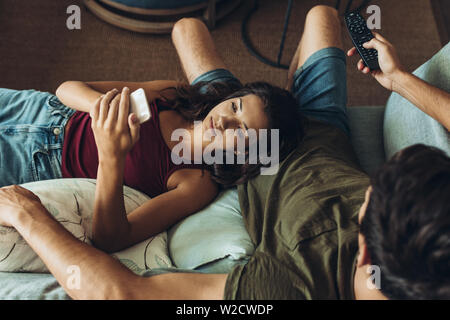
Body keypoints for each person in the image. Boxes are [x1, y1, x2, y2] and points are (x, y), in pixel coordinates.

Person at [0, 5, 449, 300]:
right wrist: (399, 79)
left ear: (367, 252)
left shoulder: (289, 286)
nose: (362, 191)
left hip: (258, 151)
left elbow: (123, 293)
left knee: (195, 40)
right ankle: (279, 97)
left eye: (368, 198)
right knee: (321, 15)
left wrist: (28, 215)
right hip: (323, 136)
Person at [0, 35, 303, 253]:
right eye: (235, 107)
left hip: (35, 163)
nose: (224, 121)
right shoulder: (174, 96)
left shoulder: (195, 181)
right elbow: (66, 88)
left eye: (241, 131)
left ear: (247, 156)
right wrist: (104, 112)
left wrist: (111, 156)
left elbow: (112, 238)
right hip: (38, 108)